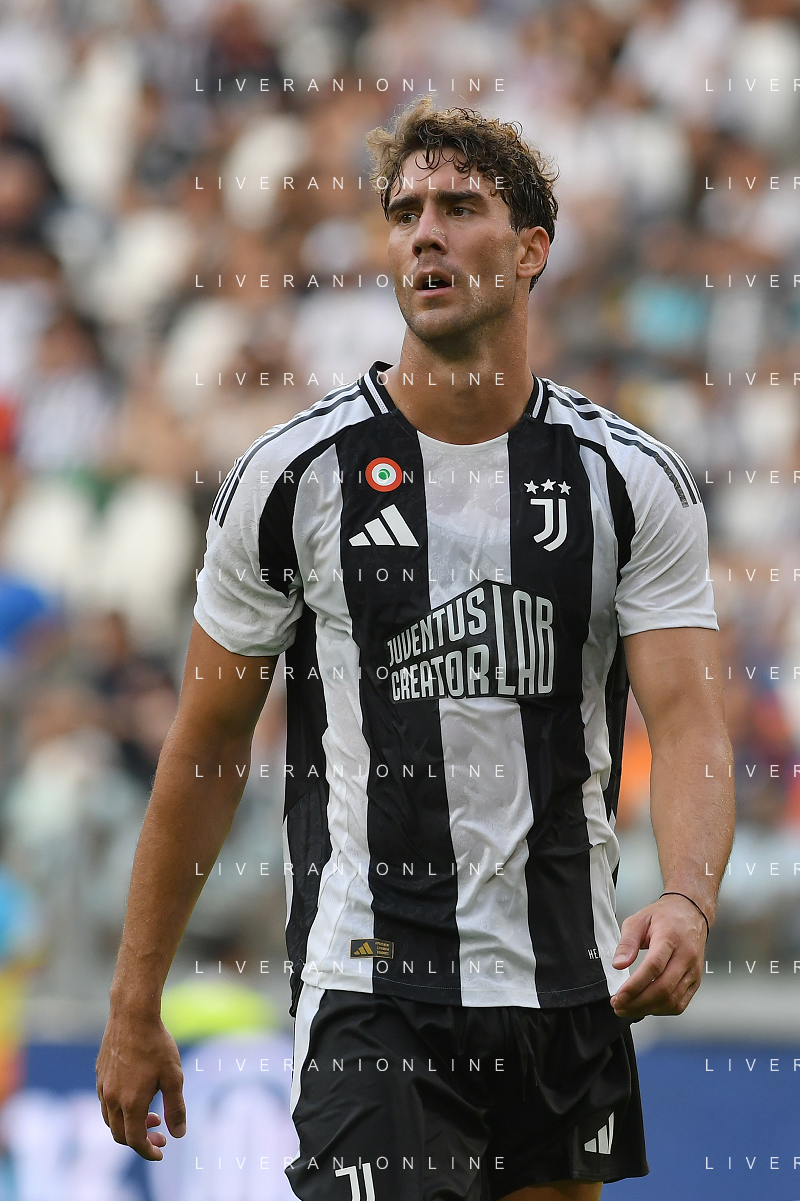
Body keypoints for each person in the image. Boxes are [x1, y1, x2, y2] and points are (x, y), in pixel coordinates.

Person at [96, 97, 735, 1201]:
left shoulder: (628, 482)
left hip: (565, 987)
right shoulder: (294, 479)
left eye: (459, 207)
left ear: (530, 249)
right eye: (404, 213)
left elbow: (686, 724)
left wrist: (686, 898)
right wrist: (133, 995)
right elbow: (204, 743)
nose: (424, 233)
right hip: (372, 987)